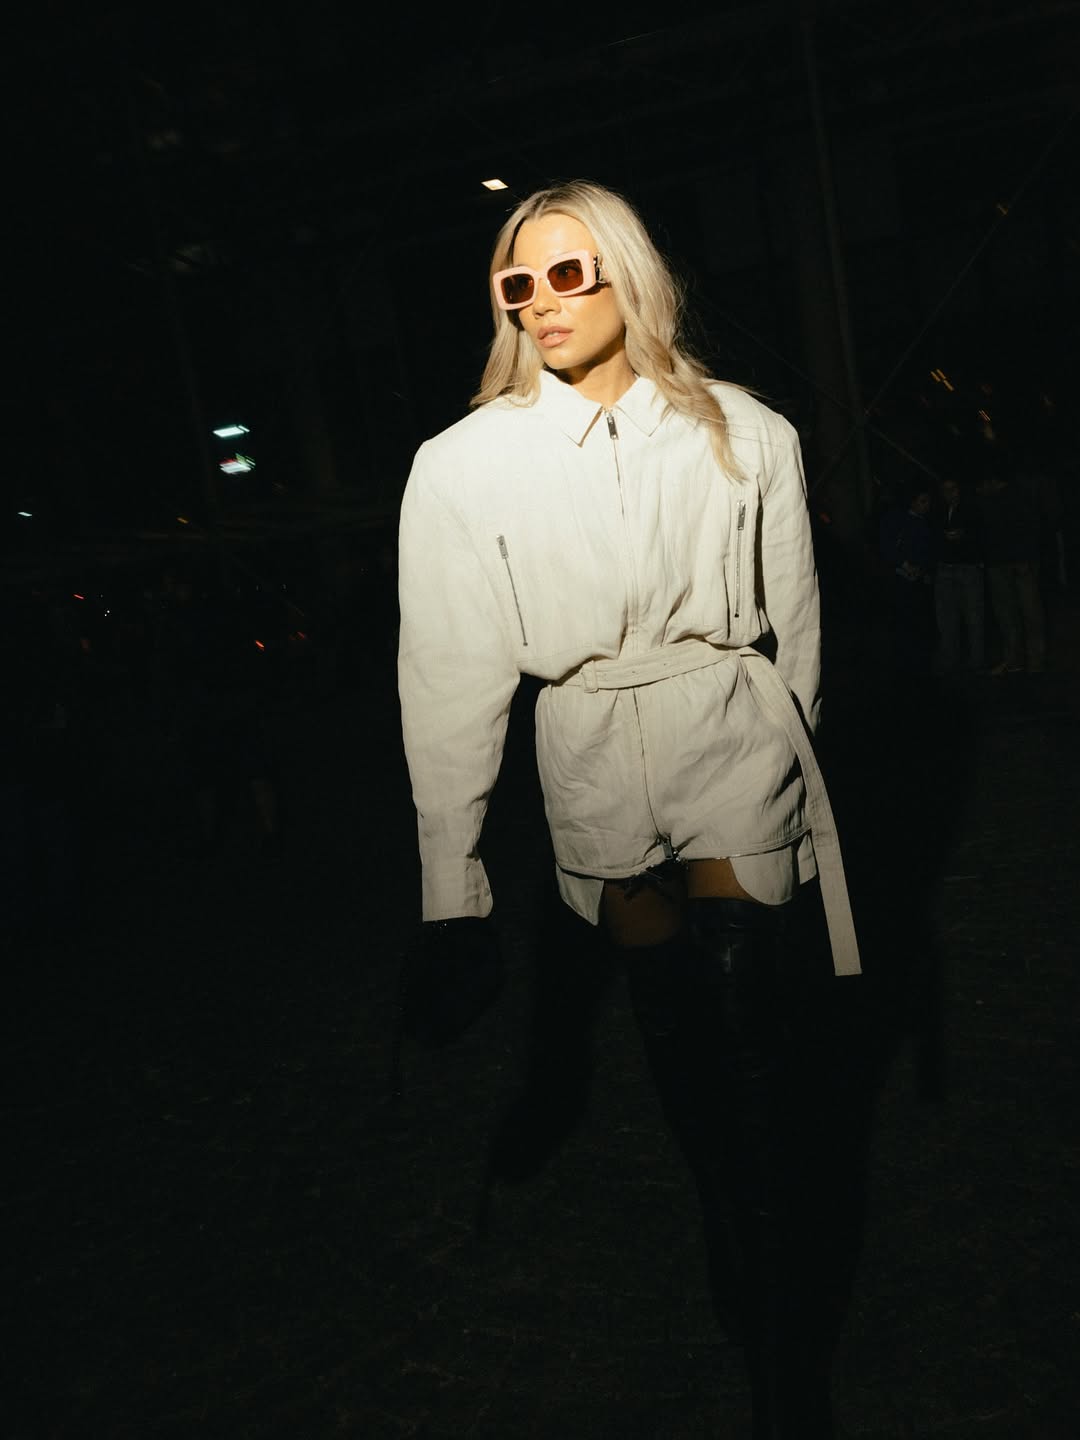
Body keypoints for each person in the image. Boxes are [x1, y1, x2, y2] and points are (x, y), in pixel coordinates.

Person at [396, 180, 860, 1439]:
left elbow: (797, 626)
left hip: (728, 735)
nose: (541, 303)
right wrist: (453, 889)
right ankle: (734, 1224)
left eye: (569, 273)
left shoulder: (745, 430)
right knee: (680, 1044)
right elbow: (448, 680)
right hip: (589, 756)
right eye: (517, 282)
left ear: (631, 275)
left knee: (750, 1037)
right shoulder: (462, 466)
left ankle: (782, 1356)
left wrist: (788, 771)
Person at [933, 475, 985, 676]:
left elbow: (980, 535)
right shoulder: (938, 510)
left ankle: (976, 660)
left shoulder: (971, 509)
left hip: (967, 567)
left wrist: (964, 536)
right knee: (947, 618)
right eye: (945, 490)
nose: (949, 494)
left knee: (973, 616)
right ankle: (950, 659)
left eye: (953, 489)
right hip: (946, 567)